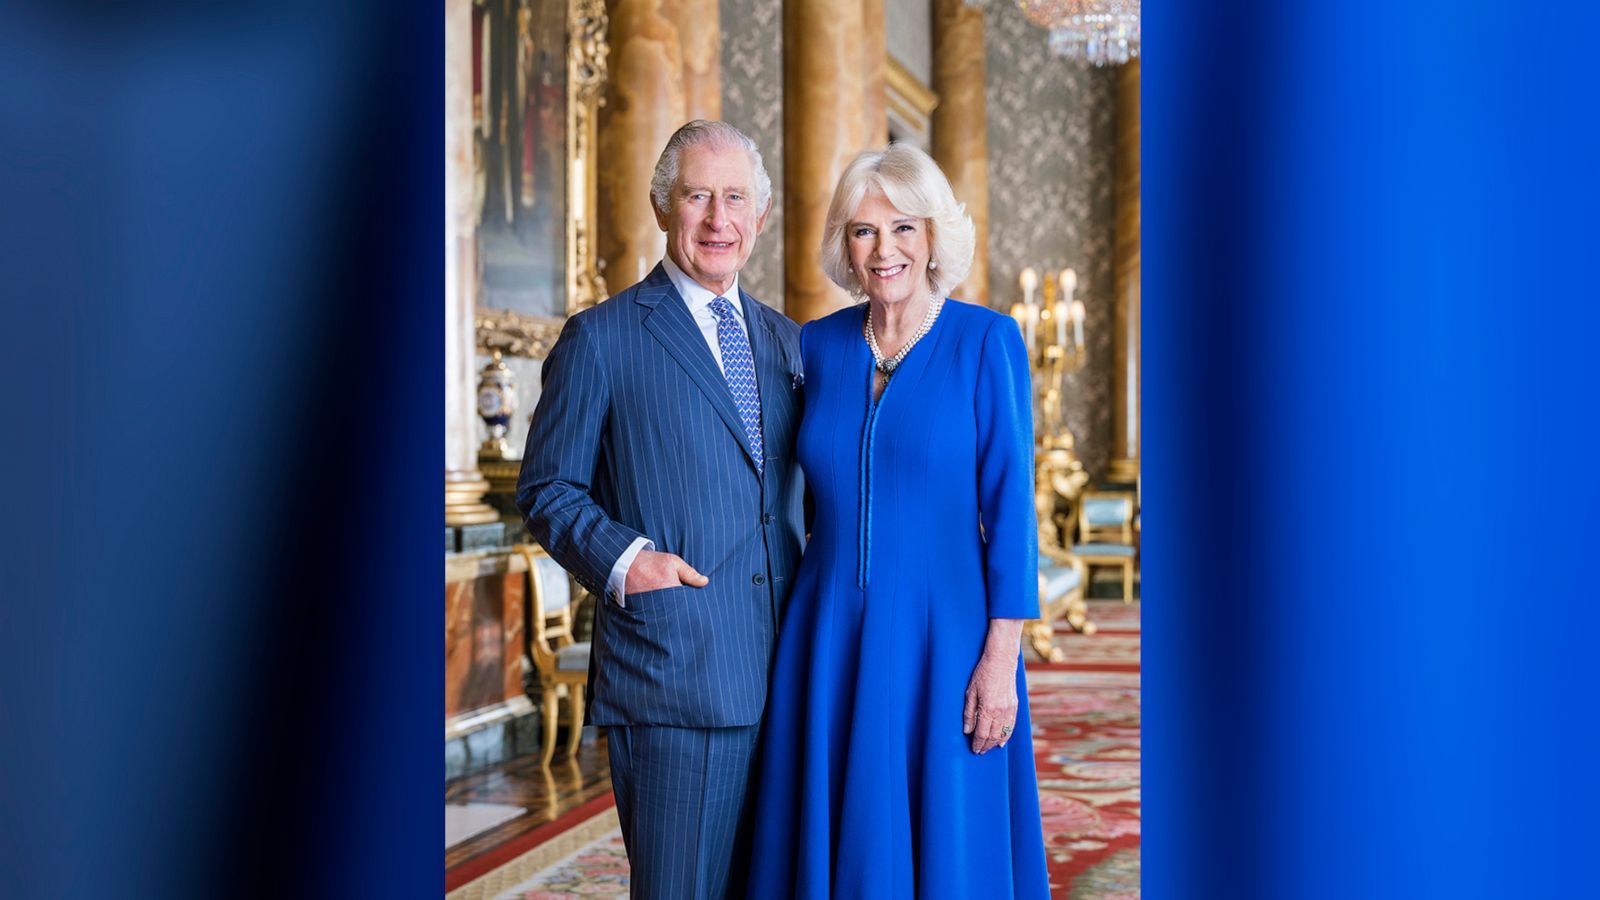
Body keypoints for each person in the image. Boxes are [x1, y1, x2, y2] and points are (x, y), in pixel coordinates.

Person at [745, 144, 1050, 898]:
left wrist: (1000, 659)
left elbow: (1012, 506)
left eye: (904, 229)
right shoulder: (815, 344)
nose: (884, 250)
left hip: (946, 632)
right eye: (863, 231)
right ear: (843, 246)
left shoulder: (987, 341)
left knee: (947, 834)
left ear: (933, 237)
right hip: (829, 630)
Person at [516, 120, 805, 900]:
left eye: (736, 198)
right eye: (698, 196)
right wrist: (625, 561)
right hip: (674, 676)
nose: (719, 219)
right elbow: (546, 489)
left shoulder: (788, 344)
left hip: (793, 674)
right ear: (661, 206)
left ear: (761, 216)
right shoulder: (601, 339)